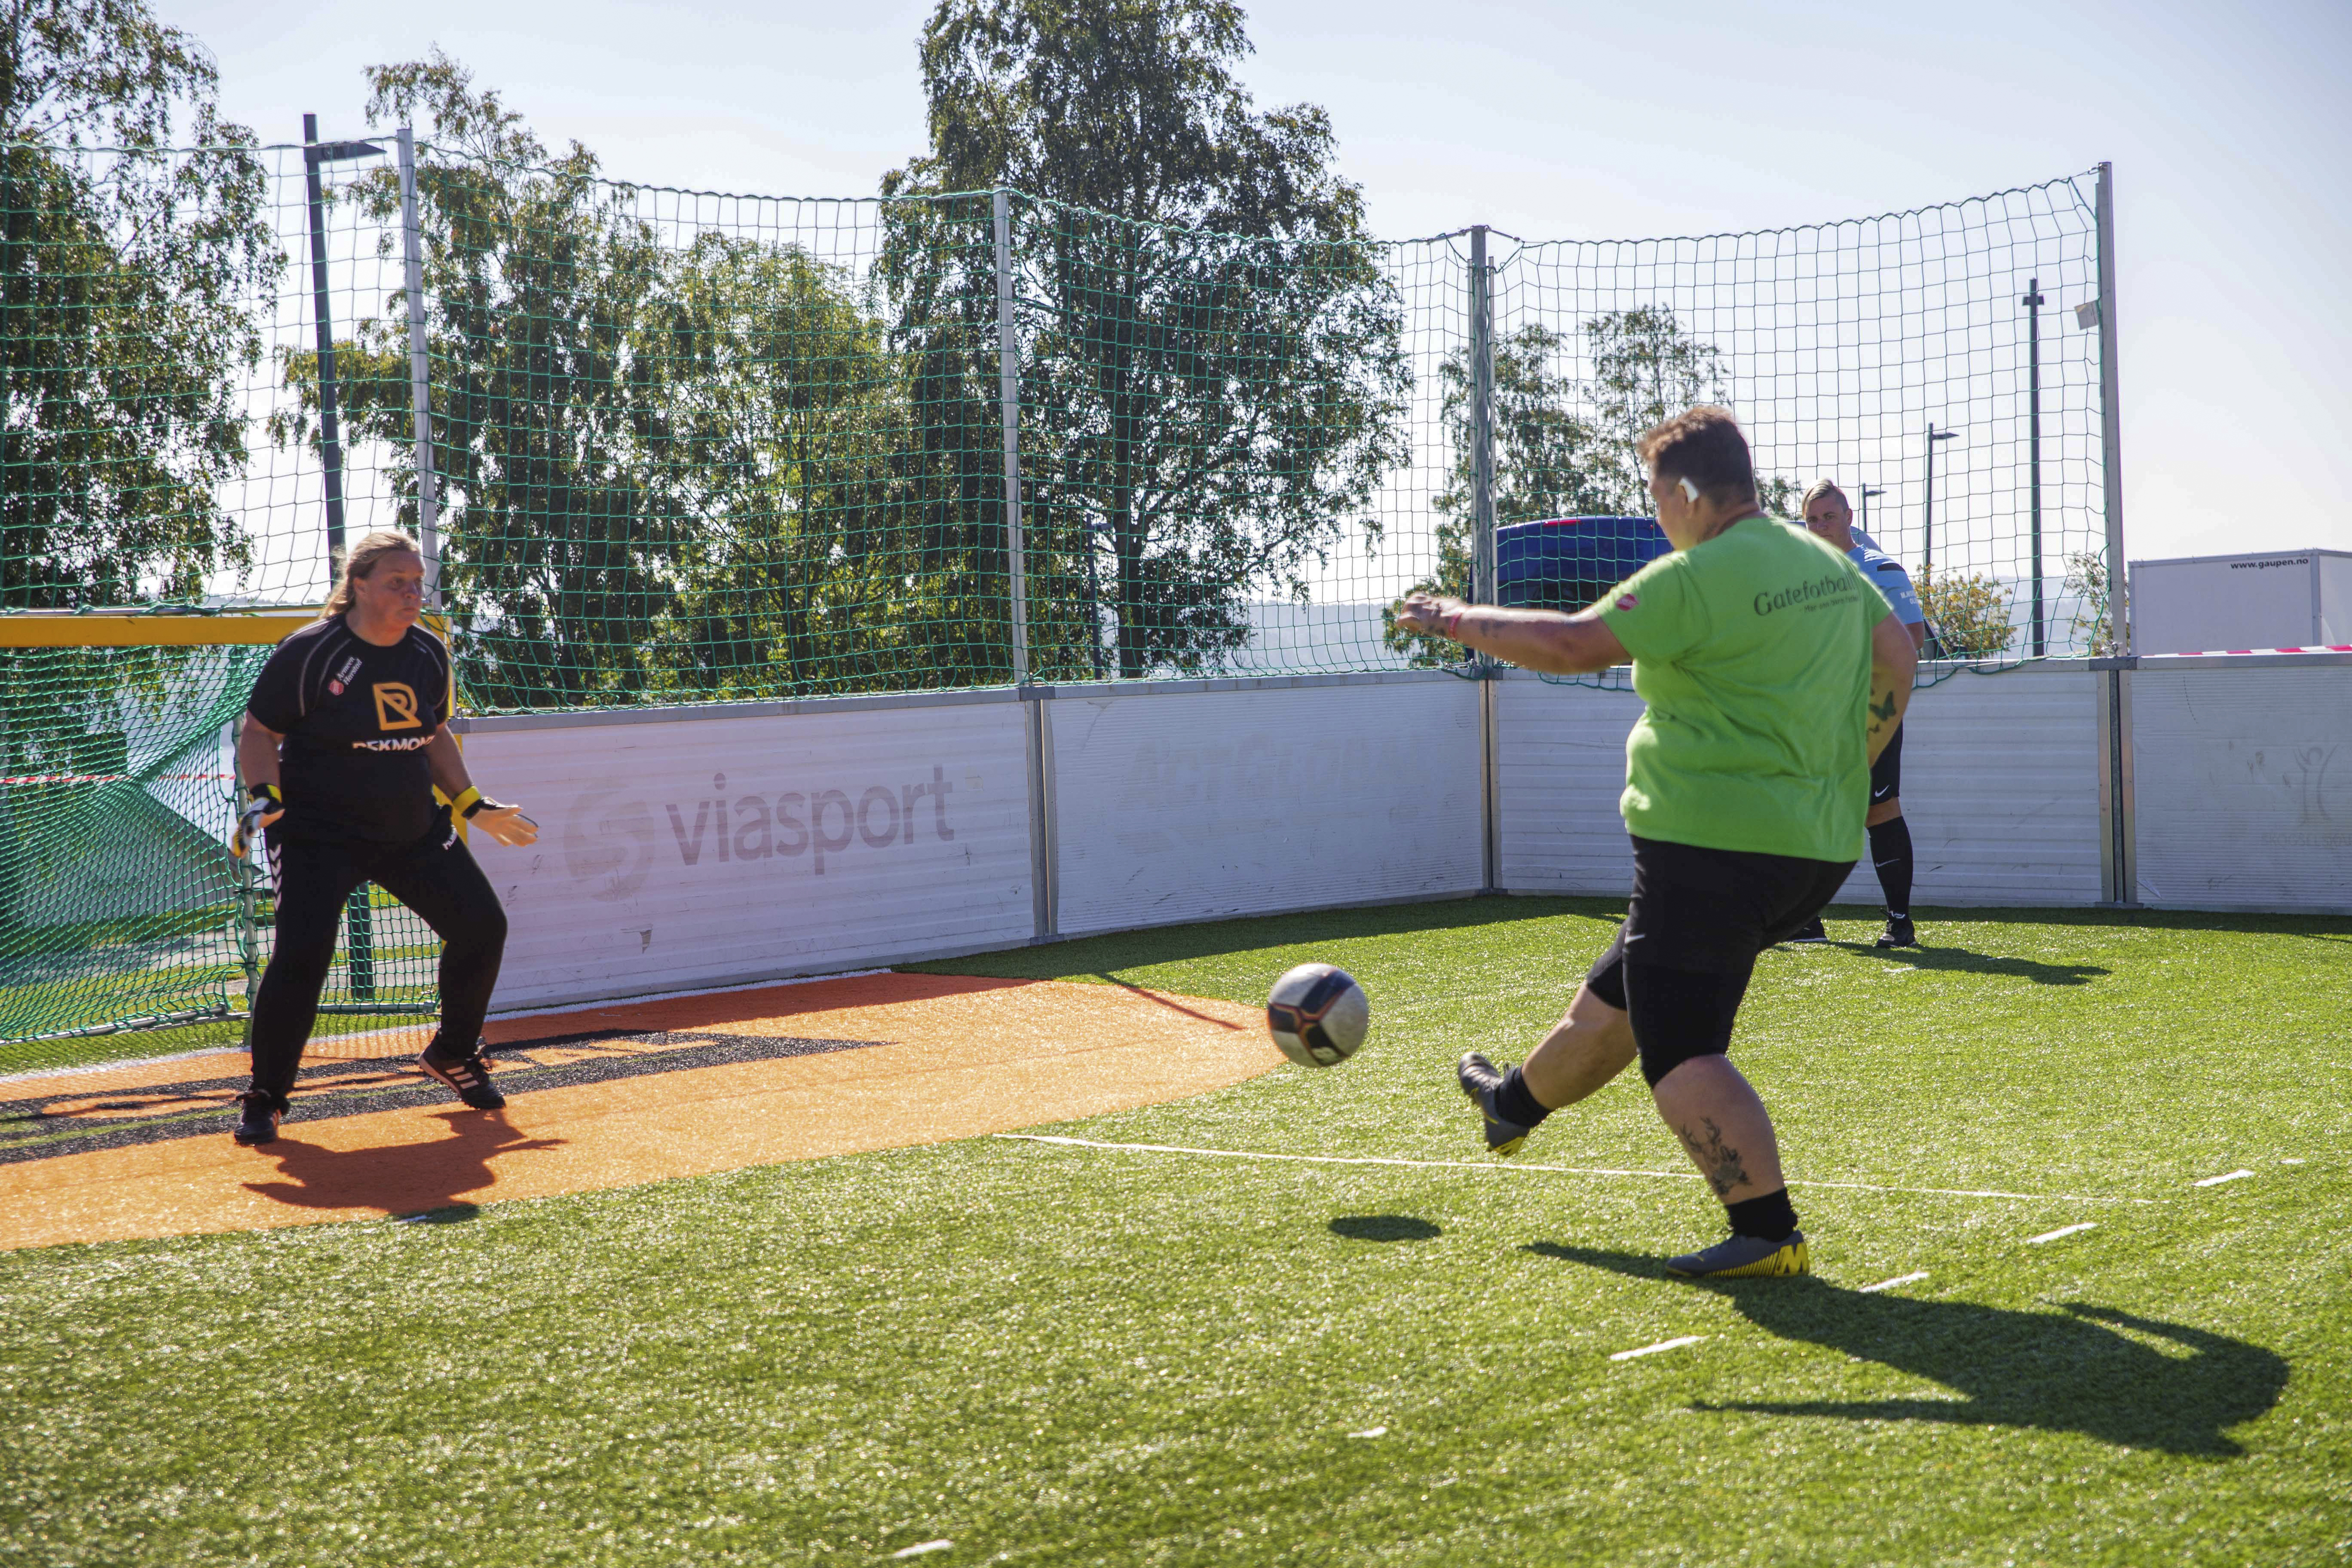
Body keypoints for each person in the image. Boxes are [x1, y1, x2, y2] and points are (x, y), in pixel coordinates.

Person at [1393, 407, 1917, 1277]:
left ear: (1683, 493)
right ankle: (1512, 1105)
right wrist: (1853, 758)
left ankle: (1765, 1231)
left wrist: (1450, 618)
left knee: (1680, 1046)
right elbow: (1896, 654)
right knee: (1620, 998)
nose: (1656, 515)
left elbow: (1569, 646)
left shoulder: (1695, 576)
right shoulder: (1822, 562)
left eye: (1654, 498)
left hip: (1710, 846)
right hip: (1815, 850)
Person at [228, 530, 539, 1146]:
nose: (412, 593)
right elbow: (259, 732)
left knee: (483, 927)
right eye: (398, 582)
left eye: (418, 582)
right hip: (318, 836)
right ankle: (266, 1097)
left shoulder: (427, 653)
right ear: (359, 586)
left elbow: (434, 734)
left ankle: (453, 1054)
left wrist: (472, 804)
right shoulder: (311, 652)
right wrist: (264, 799)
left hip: (412, 831)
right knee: (302, 960)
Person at [1796, 479, 1929, 949]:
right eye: (1812, 520)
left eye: (1829, 517)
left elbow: (1912, 639)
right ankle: (1806, 922)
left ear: (1850, 517)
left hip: (1872, 708)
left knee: (1879, 809)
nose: (1820, 527)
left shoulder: (1880, 568)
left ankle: (1900, 925)